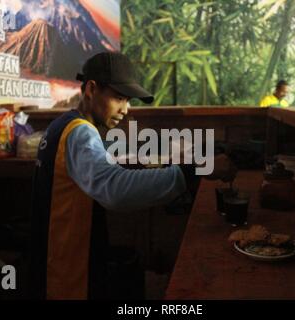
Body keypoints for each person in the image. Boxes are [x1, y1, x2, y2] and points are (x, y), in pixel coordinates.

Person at [30, 52, 236, 300]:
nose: (126, 110)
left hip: (53, 261)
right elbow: (114, 190)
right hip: (68, 278)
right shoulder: (81, 134)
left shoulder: (61, 125)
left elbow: (98, 162)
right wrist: (196, 170)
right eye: (119, 98)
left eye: (127, 100)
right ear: (91, 89)